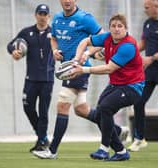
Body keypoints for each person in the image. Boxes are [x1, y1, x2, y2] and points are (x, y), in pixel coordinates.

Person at [32, 0, 105, 159]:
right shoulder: (57, 18)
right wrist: (55, 50)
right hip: (67, 67)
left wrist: (88, 53)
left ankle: (52, 151)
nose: (67, 1)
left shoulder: (85, 18)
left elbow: (103, 38)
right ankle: (116, 130)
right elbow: (53, 38)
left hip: (78, 68)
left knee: (62, 105)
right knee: (81, 110)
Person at [71, 14, 145, 161]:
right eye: (113, 26)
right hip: (116, 85)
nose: (116, 29)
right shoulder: (107, 38)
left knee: (105, 108)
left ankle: (103, 149)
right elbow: (85, 41)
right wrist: (77, 59)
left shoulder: (128, 46)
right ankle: (121, 151)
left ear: (126, 28)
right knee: (100, 114)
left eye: (120, 26)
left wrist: (83, 70)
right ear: (110, 27)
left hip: (133, 87)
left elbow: (109, 69)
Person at [7, 4, 55, 153]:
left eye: (45, 14)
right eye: (40, 13)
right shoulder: (26, 32)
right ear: (35, 15)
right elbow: (10, 45)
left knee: (43, 111)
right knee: (27, 107)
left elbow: (66, 47)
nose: (42, 16)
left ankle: (42, 141)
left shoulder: (54, 33)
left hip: (47, 79)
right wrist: (14, 51)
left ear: (49, 16)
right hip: (31, 79)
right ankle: (42, 136)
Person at [128, 0, 158, 152]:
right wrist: (130, 52)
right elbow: (143, 44)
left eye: (147, 8)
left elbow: (151, 55)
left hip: (152, 63)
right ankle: (140, 138)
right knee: (138, 102)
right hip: (150, 72)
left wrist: (151, 58)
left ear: (156, 6)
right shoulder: (147, 23)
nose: (145, 10)